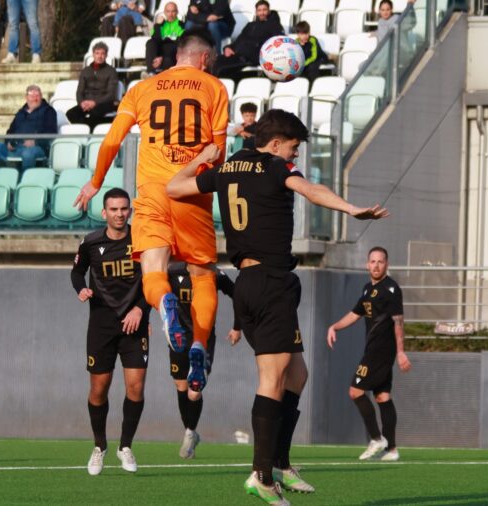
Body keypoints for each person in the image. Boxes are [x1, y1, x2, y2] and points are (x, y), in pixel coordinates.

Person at [166, 109, 389, 505]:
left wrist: (200, 162)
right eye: (293, 148)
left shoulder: (229, 168)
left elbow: (173, 188)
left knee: (296, 374)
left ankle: (280, 462)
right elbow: (310, 190)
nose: (295, 156)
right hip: (270, 283)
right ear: (274, 144)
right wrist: (351, 209)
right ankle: (262, 475)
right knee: (272, 377)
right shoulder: (273, 167)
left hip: (251, 283)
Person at [74, 29, 229, 400]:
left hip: (152, 195)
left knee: (153, 274)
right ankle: (198, 345)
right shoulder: (214, 88)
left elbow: (113, 138)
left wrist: (96, 182)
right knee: (202, 274)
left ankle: (164, 305)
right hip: (190, 193)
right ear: (204, 59)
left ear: (178, 55)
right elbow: (217, 155)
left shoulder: (142, 88)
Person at [71, 188, 150, 476]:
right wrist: (81, 289)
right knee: (98, 390)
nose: (119, 214)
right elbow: (76, 272)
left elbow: (153, 279)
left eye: (124, 209)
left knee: (136, 387)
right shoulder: (91, 243)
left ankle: (125, 446)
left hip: (135, 325)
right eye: (114, 209)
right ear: (104, 213)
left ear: (130, 211)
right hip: (102, 327)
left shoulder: (142, 241)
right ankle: (99, 446)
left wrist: (140, 308)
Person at [327, 246, 412, 462]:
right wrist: (334, 327)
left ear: (387, 264)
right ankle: (391, 449)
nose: (376, 265)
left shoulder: (391, 289)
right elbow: (355, 314)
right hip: (373, 349)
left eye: (380, 261)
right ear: (367, 265)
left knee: (355, 391)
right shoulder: (367, 289)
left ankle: (376, 438)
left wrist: (401, 352)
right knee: (382, 396)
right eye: (372, 261)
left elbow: (398, 321)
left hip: (381, 351)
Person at [167, 262, 234, 459]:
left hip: (203, 338)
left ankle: (189, 432)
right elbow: (151, 291)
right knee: (180, 386)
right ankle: (190, 431)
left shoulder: (214, 274)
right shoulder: (172, 272)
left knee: (194, 391)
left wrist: (238, 326)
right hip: (178, 337)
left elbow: (237, 293)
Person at [0, 84, 57, 170]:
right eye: (32, 96)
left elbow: (51, 132)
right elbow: (10, 132)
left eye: (37, 95)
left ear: (41, 97)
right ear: (26, 97)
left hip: (36, 148)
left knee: (28, 153)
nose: (35, 99)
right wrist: (8, 142)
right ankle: (5, 169)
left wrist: (36, 142)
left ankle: (24, 180)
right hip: (16, 147)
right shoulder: (20, 113)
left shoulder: (49, 111)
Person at [213, 0, 282, 81]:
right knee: (213, 62)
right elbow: (239, 40)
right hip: (236, 55)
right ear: (256, 12)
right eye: (259, 10)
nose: (262, 13)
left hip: (250, 58)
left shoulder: (274, 26)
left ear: (269, 11)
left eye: (264, 10)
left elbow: (274, 44)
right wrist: (228, 48)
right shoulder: (250, 25)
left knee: (220, 69)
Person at [65, 41, 118, 130]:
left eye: (102, 54)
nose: (99, 56)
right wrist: (81, 103)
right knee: (70, 114)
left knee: (95, 113)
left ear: (106, 55)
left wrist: (94, 103)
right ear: (93, 54)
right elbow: (79, 91)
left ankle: (91, 132)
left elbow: (111, 94)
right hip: (86, 103)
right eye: (97, 53)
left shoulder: (111, 71)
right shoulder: (85, 71)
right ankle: (89, 128)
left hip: (104, 102)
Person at [145, 1, 182, 75]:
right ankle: (151, 73)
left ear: (177, 12)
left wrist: (162, 57)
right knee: (150, 43)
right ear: (164, 12)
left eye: (173, 11)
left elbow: (179, 45)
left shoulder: (181, 25)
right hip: (158, 54)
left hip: (171, 56)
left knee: (170, 50)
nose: (170, 14)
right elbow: (155, 40)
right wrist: (158, 25)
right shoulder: (160, 24)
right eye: (168, 11)